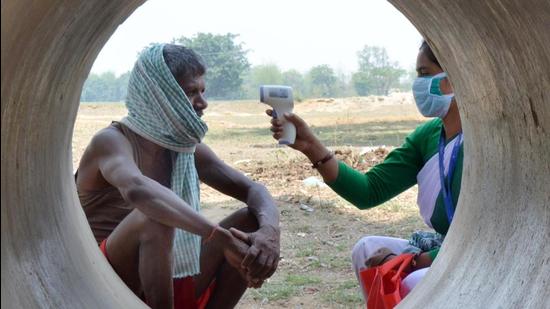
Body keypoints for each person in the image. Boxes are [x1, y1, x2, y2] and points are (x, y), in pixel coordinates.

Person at [76, 43, 280, 309]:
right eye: (190, 92)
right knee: (155, 216)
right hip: (108, 279)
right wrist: (218, 236)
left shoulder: (185, 148)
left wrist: (269, 232)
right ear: (159, 96)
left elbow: (255, 191)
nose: (203, 103)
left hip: (169, 273)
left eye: (202, 91)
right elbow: (138, 190)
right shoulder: (111, 142)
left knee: (251, 221)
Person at [267, 40, 462, 300]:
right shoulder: (427, 136)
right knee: (366, 249)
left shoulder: (488, 142)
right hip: (443, 246)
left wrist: (416, 261)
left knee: (415, 281)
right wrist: (311, 146)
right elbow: (368, 192)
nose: (418, 85)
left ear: (454, 78)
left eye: (424, 74)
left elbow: (487, 233)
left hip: (472, 250)